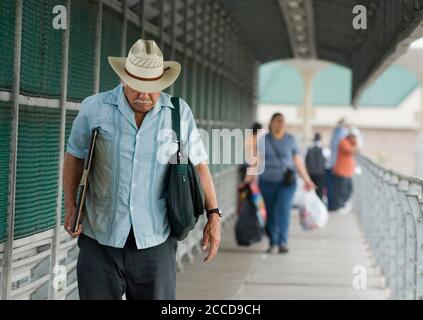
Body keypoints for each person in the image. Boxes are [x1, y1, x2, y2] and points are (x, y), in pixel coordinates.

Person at [63, 39, 222, 300]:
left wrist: (213, 214)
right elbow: (74, 156)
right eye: (137, 87)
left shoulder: (178, 113)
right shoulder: (95, 108)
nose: (144, 95)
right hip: (100, 240)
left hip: (155, 241)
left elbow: (199, 164)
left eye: (153, 89)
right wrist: (71, 206)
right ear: (125, 79)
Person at [257, 113, 315, 254]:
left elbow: (298, 161)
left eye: (282, 121)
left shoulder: (291, 140)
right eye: (277, 121)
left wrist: (307, 179)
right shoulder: (263, 140)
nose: (280, 124)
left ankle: (282, 242)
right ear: (271, 123)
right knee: (270, 213)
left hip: (287, 183)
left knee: (283, 210)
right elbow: (256, 161)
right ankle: (273, 242)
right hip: (267, 182)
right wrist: (248, 180)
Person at [331, 129, 358, 213]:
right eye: (353, 136)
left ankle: (342, 204)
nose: (354, 138)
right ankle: (338, 206)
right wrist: (355, 142)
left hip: (348, 171)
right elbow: (352, 150)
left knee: (349, 189)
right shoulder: (343, 142)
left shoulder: (349, 143)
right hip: (341, 171)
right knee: (340, 190)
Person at [326, 118, 349, 210]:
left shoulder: (334, 133)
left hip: (332, 163)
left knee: (332, 187)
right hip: (339, 165)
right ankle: (337, 205)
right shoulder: (343, 133)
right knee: (340, 188)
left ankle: (332, 205)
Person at [305, 133, 326, 200]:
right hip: (320, 173)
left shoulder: (308, 150)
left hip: (310, 173)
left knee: (311, 191)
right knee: (319, 191)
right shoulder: (324, 150)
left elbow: (304, 161)